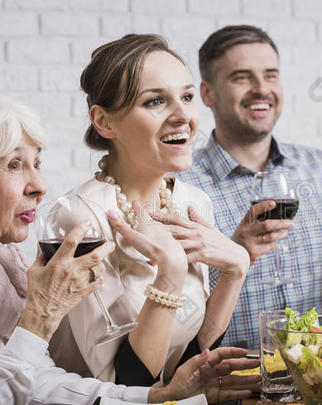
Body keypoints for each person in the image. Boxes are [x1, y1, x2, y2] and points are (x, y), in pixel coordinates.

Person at [0, 84, 259, 404]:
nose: (40, 187)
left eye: (37, 164)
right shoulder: (81, 213)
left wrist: (161, 397)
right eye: (14, 164)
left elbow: (38, 382)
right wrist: (39, 319)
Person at [49, 33, 251, 386]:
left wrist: (236, 270)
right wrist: (170, 272)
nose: (183, 116)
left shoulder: (192, 202)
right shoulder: (81, 218)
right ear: (104, 122)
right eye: (156, 101)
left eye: (187, 97)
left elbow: (188, 363)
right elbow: (124, 385)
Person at [177, 25, 322, 349]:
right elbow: (173, 309)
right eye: (242, 77)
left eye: (271, 75)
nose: (262, 89)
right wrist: (235, 256)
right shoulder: (181, 187)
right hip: (231, 385)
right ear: (207, 93)